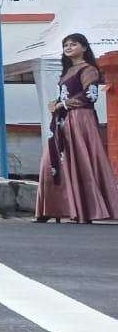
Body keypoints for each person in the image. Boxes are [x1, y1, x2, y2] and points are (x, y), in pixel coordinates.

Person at [36, 33, 118, 223]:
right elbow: (63, 97)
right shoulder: (66, 72)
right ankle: (51, 209)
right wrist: (55, 104)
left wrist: (62, 105)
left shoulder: (89, 69)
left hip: (81, 120)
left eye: (73, 44)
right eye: (65, 44)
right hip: (63, 121)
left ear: (84, 48)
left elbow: (90, 95)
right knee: (52, 161)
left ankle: (84, 211)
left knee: (80, 161)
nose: (68, 47)